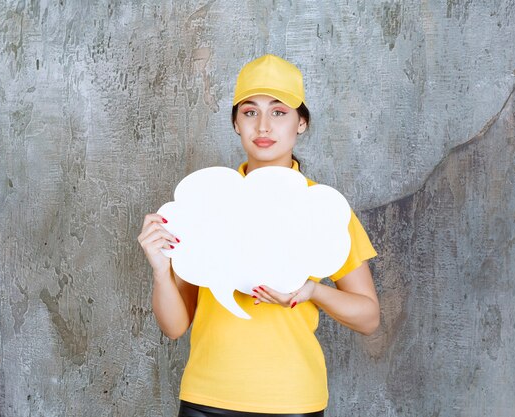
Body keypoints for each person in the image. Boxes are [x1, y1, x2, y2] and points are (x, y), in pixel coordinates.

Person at [138, 54, 380, 417]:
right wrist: (160, 269)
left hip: (293, 401)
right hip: (207, 399)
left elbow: (368, 317)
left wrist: (312, 291)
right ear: (236, 122)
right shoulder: (206, 201)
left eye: (279, 112)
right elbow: (175, 327)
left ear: (301, 123)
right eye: (250, 112)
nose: (263, 126)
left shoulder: (324, 209)